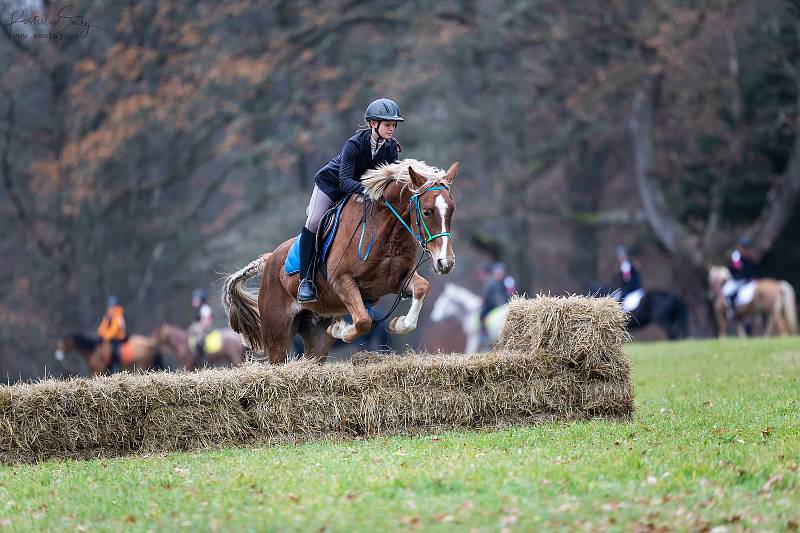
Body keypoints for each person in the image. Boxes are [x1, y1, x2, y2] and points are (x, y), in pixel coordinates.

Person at [297, 98, 403, 302]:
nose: (392, 129)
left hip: (360, 191)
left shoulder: (391, 148)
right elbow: (345, 181)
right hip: (331, 185)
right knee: (314, 221)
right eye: (388, 124)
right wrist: (371, 191)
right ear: (374, 124)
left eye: (394, 125)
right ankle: (306, 280)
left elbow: (390, 179)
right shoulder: (354, 144)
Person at [722, 236, 760, 318]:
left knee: (736, 293)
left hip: (747, 280)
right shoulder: (737, 257)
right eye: (743, 247)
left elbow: (749, 269)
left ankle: (735, 311)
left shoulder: (749, 257)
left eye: (746, 247)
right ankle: (732, 309)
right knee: (727, 292)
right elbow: (735, 268)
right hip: (739, 279)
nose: (744, 249)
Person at [479, 262, 512, 338]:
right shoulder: (492, 282)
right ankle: (484, 331)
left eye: (500, 273)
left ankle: (484, 332)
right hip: (495, 303)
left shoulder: (506, 281)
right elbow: (489, 295)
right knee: (482, 315)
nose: (498, 275)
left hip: (502, 303)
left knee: (482, 314)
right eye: (497, 273)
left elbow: (509, 292)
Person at [97, 295, 127, 371]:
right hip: (109, 338)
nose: (111, 307)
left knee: (114, 351)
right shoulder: (108, 315)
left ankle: (116, 367)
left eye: (113, 305)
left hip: (118, 338)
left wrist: (106, 336)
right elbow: (102, 327)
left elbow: (115, 329)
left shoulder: (118, 314)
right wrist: (102, 335)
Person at [189, 289, 214, 360]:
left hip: (207, 329)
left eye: (196, 299)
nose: (194, 301)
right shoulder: (198, 310)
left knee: (199, 340)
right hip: (201, 328)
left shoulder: (205, 308)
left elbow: (207, 322)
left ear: (201, 300)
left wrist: (197, 327)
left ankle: (203, 359)